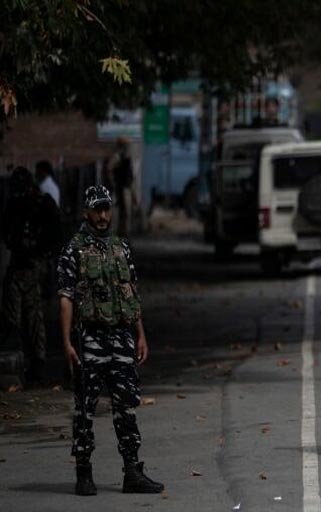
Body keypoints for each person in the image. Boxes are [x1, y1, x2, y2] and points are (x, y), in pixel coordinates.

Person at [57, 185, 163, 495]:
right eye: (97, 209)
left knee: (126, 407)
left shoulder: (122, 248)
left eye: (107, 208)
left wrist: (140, 335)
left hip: (122, 337)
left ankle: (132, 471)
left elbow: (132, 293)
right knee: (85, 409)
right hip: (90, 338)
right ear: (86, 211)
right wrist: (66, 343)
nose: (103, 215)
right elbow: (66, 300)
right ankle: (84, 472)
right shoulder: (74, 250)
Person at [0, 167, 62, 382]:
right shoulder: (16, 204)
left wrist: (38, 248)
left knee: (33, 314)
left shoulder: (42, 203)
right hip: (20, 263)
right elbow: (7, 231)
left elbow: (55, 235)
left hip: (35, 264)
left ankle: (37, 361)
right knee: (15, 316)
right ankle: (25, 358)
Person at [107, 138, 135, 237]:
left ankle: (125, 235)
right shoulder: (117, 158)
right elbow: (110, 171)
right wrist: (114, 184)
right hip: (119, 188)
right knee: (117, 214)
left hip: (125, 188)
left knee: (126, 214)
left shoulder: (127, 159)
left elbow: (130, 176)